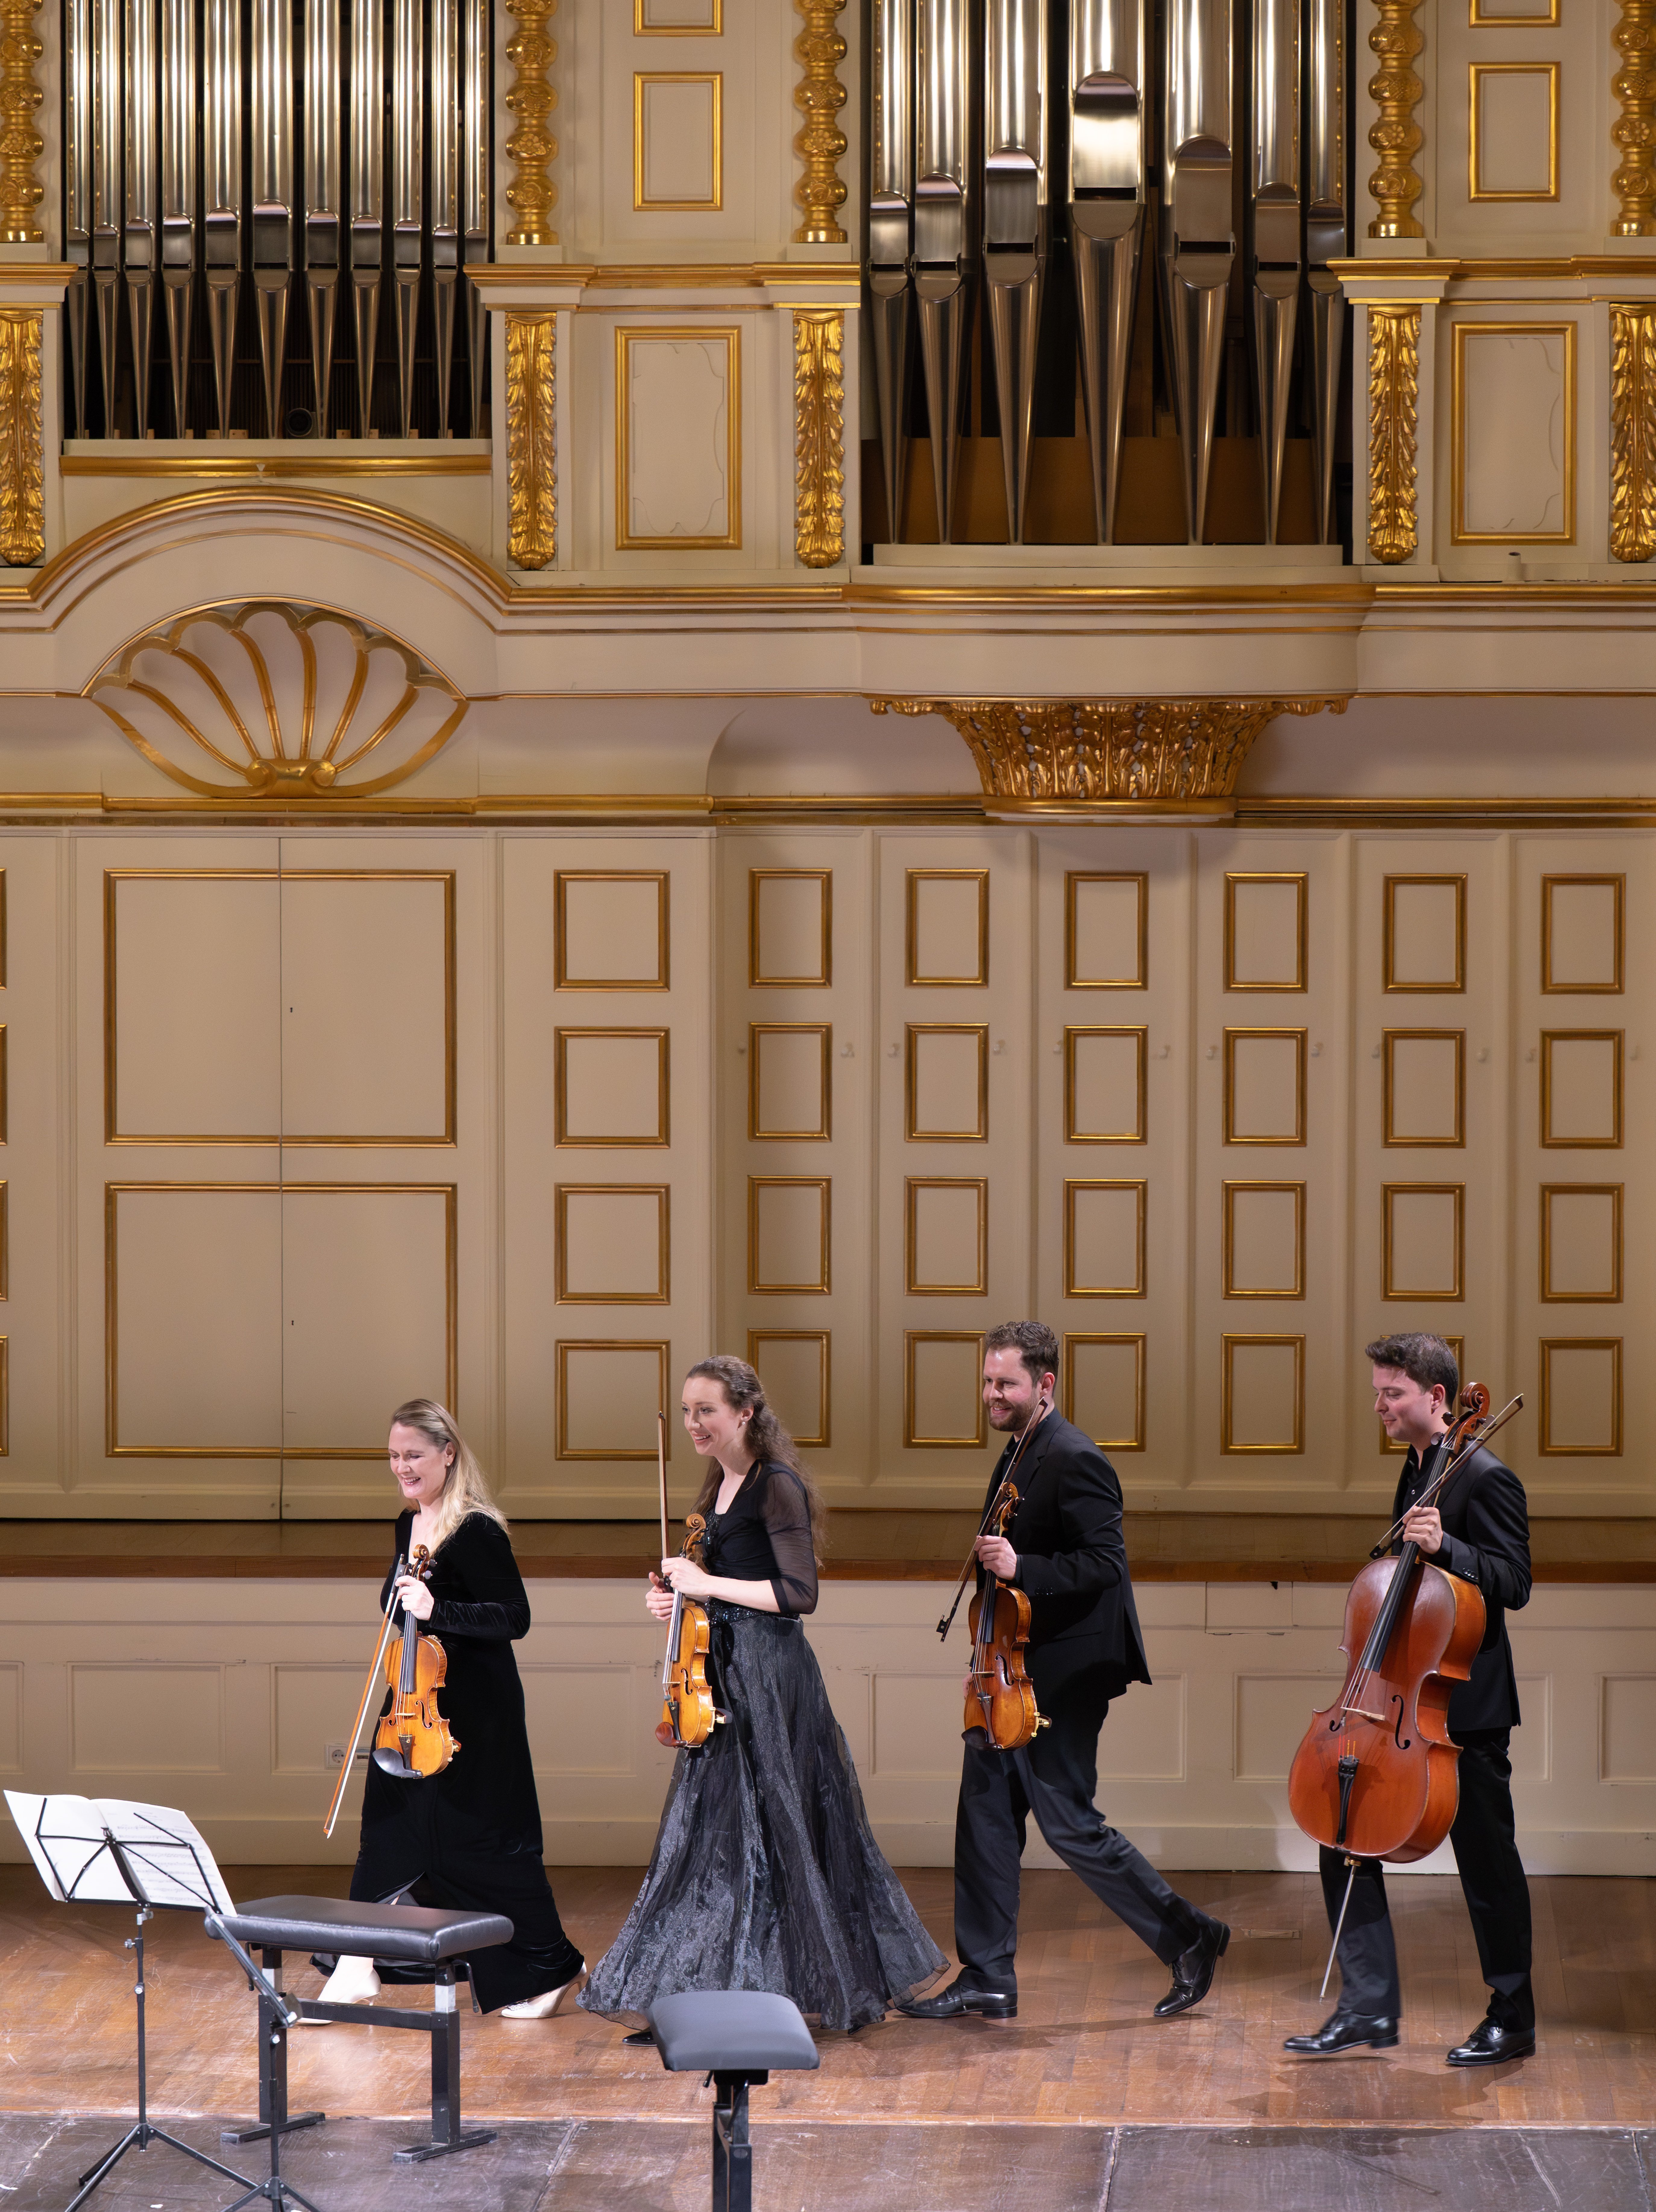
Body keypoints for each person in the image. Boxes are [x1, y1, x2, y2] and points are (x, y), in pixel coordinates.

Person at [580, 1356, 946, 2032]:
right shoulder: (717, 1482)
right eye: (687, 1411)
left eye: (706, 1410)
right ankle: (706, 1998)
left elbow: (799, 1594)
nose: (693, 1422)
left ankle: (777, 1998)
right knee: (715, 1841)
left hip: (770, 1679)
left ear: (745, 1412)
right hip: (721, 1675)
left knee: (777, 1833)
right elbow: (714, 1584)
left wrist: (706, 1585)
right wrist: (676, 1599)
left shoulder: (776, 1485)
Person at [900, 1322, 1228, 2024]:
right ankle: (987, 1975)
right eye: (987, 1381)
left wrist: (1025, 1566)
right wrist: (983, 1661)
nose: (992, 1394)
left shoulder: (1076, 1457)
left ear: (1044, 1384)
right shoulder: (1020, 1450)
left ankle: (1191, 1935)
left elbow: (1105, 1563)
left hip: (1064, 1672)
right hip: (1008, 1669)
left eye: (1007, 1383)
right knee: (985, 1815)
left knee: (1069, 1823)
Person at [1285, 1333, 1535, 2065]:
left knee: (1488, 1868)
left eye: (1392, 1393)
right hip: (1398, 1704)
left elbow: (1514, 1581)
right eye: (1379, 1392)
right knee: (1343, 1833)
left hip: (1464, 1713)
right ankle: (1367, 2006)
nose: (1380, 1406)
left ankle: (1513, 2016)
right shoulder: (1422, 1467)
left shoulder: (1486, 1476)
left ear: (1437, 1396)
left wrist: (1448, 1547)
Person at [312, 1399, 588, 2021]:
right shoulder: (407, 1525)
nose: (402, 1467)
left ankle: (553, 1967)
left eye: (414, 1455)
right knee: (387, 1830)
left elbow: (514, 1617)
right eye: (394, 1456)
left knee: (489, 1845)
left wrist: (438, 1608)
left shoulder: (477, 1529)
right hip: (413, 1703)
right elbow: (398, 1609)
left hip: (475, 1712)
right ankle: (355, 1967)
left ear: (448, 1453)